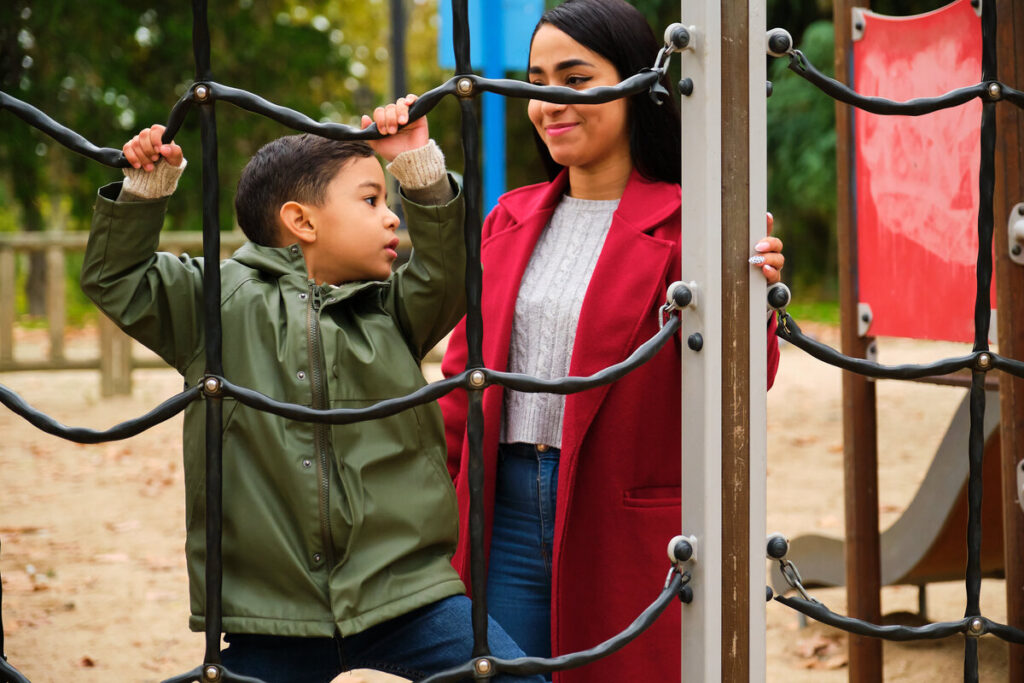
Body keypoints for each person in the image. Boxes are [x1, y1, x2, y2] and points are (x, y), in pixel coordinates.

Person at [81, 97, 543, 683]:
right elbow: (114, 278)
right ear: (303, 221)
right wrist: (146, 190)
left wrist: (416, 169)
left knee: (514, 675)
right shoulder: (215, 305)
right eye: (372, 200)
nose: (391, 217)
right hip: (272, 612)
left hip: (406, 592)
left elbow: (451, 273)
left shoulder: (393, 310)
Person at [438, 1, 784, 681]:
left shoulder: (698, 224)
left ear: (635, 85)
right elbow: (462, 378)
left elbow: (747, 380)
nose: (549, 101)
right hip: (502, 508)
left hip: (620, 512)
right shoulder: (508, 218)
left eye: (575, 79)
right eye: (538, 80)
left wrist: (760, 299)